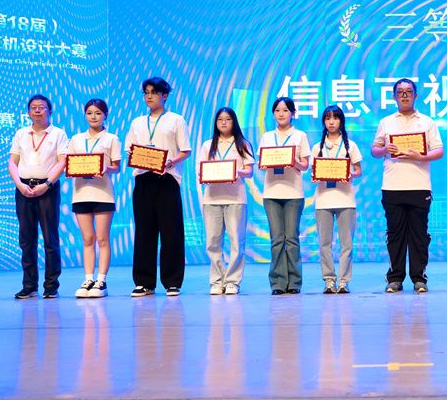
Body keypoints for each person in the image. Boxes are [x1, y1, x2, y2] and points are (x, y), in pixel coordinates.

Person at [371, 78, 444, 293]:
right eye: (400, 92)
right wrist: (385, 150)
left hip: (419, 185)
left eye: (408, 91)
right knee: (395, 234)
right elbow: (374, 150)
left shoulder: (427, 122)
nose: (404, 95)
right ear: (394, 96)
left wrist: (420, 156)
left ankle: (419, 278)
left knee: (419, 235)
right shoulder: (386, 122)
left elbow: (439, 151)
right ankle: (395, 278)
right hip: (392, 185)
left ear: (416, 95)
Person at [124, 77, 192, 297]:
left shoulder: (176, 120)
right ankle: (144, 282)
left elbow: (185, 150)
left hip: (167, 179)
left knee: (171, 231)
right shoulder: (137, 122)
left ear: (165, 95)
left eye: (153, 92)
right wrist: (136, 156)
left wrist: (169, 162)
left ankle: (172, 281)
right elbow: (129, 149)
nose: (149, 96)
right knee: (144, 231)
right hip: (143, 179)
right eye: (146, 92)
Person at [8, 94, 68, 299]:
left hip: (47, 189)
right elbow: (12, 162)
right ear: (28, 112)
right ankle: (29, 285)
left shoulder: (58, 134)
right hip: (24, 189)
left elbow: (62, 162)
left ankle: (51, 286)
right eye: (33, 107)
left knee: (50, 239)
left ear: (50, 111)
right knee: (26, 240)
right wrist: (19, 185)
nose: (37, 110)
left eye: (41, 107)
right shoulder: (21, 134)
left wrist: (47, 184)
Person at [68, 99, 121, 298]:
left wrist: (107, 168)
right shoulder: (76, 139)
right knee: (87, 239)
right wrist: (73, 170)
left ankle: (101, 281)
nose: (93, 116)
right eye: (89, 113)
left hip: (103, 194)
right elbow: (69, 163)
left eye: (98, 113)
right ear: (85, 115)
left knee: (102, 238)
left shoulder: (112, 139)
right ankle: (88, 279)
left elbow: (117, 167)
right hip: (81, 193)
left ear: (105, 115)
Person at [258, 97, 310, 295]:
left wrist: (293, 162)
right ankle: (278, 283)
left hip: (293, 193)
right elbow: (261, 164)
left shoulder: (300, 136)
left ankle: (294, 282)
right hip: (271, 192)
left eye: (286, 110)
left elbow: (305, 165)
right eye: (278, 110)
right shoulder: (267, 137)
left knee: (292, 239)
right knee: (277, 239)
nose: (281, 114)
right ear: (273, 114)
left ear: (293, 113)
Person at [200, 107, 254, 295]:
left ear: (234, 122)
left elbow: (249, 171)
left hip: (236, 198)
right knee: (212, 242)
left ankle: (232, 281)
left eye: (228, 119)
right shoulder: (207, 145)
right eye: (220, 119)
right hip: (211, 199)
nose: (223, 122)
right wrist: (206, 176)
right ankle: (216, 281)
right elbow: (200, 171)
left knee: (236, 241)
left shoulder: (242, 144)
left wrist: (237, 172)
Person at [311, 105, 362, 294]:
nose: (331, 122)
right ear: (323, 122)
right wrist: (316, 176)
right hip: (323, 200)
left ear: (341, 121)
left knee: (346, 244)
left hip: (345, 200)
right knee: (324, 243)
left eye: (335, 118)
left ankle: (344, 281)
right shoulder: (317, 147)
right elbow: (313, 172)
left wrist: (349, 174)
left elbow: (358, 170)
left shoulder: (350, 145)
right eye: (327, 118)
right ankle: (329, 280)